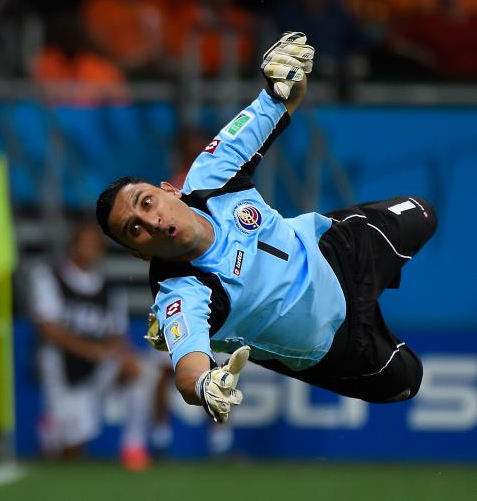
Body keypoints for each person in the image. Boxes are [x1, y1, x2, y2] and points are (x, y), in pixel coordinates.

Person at [94, 32, 437, 423]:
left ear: (169, 189)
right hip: (331, 345)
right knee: (408, 381)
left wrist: (287, 76)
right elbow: (188, 375)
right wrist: (204, 384)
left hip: (335, 252)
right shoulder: (180, 291)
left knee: (424, 212)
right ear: (140, 253)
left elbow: (285, 97)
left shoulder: (212, 174)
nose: (151, 221)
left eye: (147, 202)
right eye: (134, 229)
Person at [26, 220, 166, 470]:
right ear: (74, 246)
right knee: (70, 449)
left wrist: (125, 355)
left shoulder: (109, 289)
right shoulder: (50, 277)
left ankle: (133, 446)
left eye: (95, 245)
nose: (91, 250)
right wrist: (91, 351)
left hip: (99, 365)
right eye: (86, 244)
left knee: (142, 371)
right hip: (63, 366)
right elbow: (48, 329)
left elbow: (117, 335)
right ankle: (51, 428)